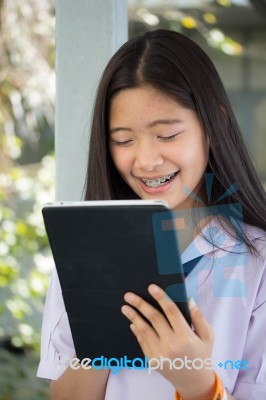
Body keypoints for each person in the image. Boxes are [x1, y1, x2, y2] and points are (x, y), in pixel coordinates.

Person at [37, 29, 266, 400]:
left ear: (215, 123)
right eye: (123, 140)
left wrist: (198, 385)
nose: (145, 161)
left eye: (168, 135)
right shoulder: (83, 252)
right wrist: (100, 334)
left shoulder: (257, 265)